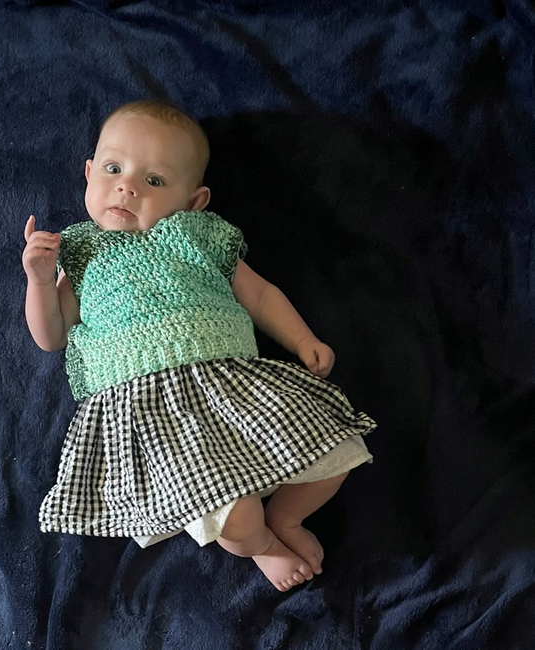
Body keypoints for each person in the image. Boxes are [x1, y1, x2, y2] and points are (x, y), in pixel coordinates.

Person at [22, 99, 376, 592]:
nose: (127, 186)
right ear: (88, 173)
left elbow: (258, 294)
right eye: (113, 169)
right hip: (152, 413)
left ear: (194, 201)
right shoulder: (80, 253)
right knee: (235, 517)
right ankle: (263, 545)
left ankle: (287, 517)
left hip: (231, 384)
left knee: (336, 449)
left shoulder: (201, 238)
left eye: (154, 180)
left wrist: (302, 339)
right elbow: (52, 336)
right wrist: (40, 282)